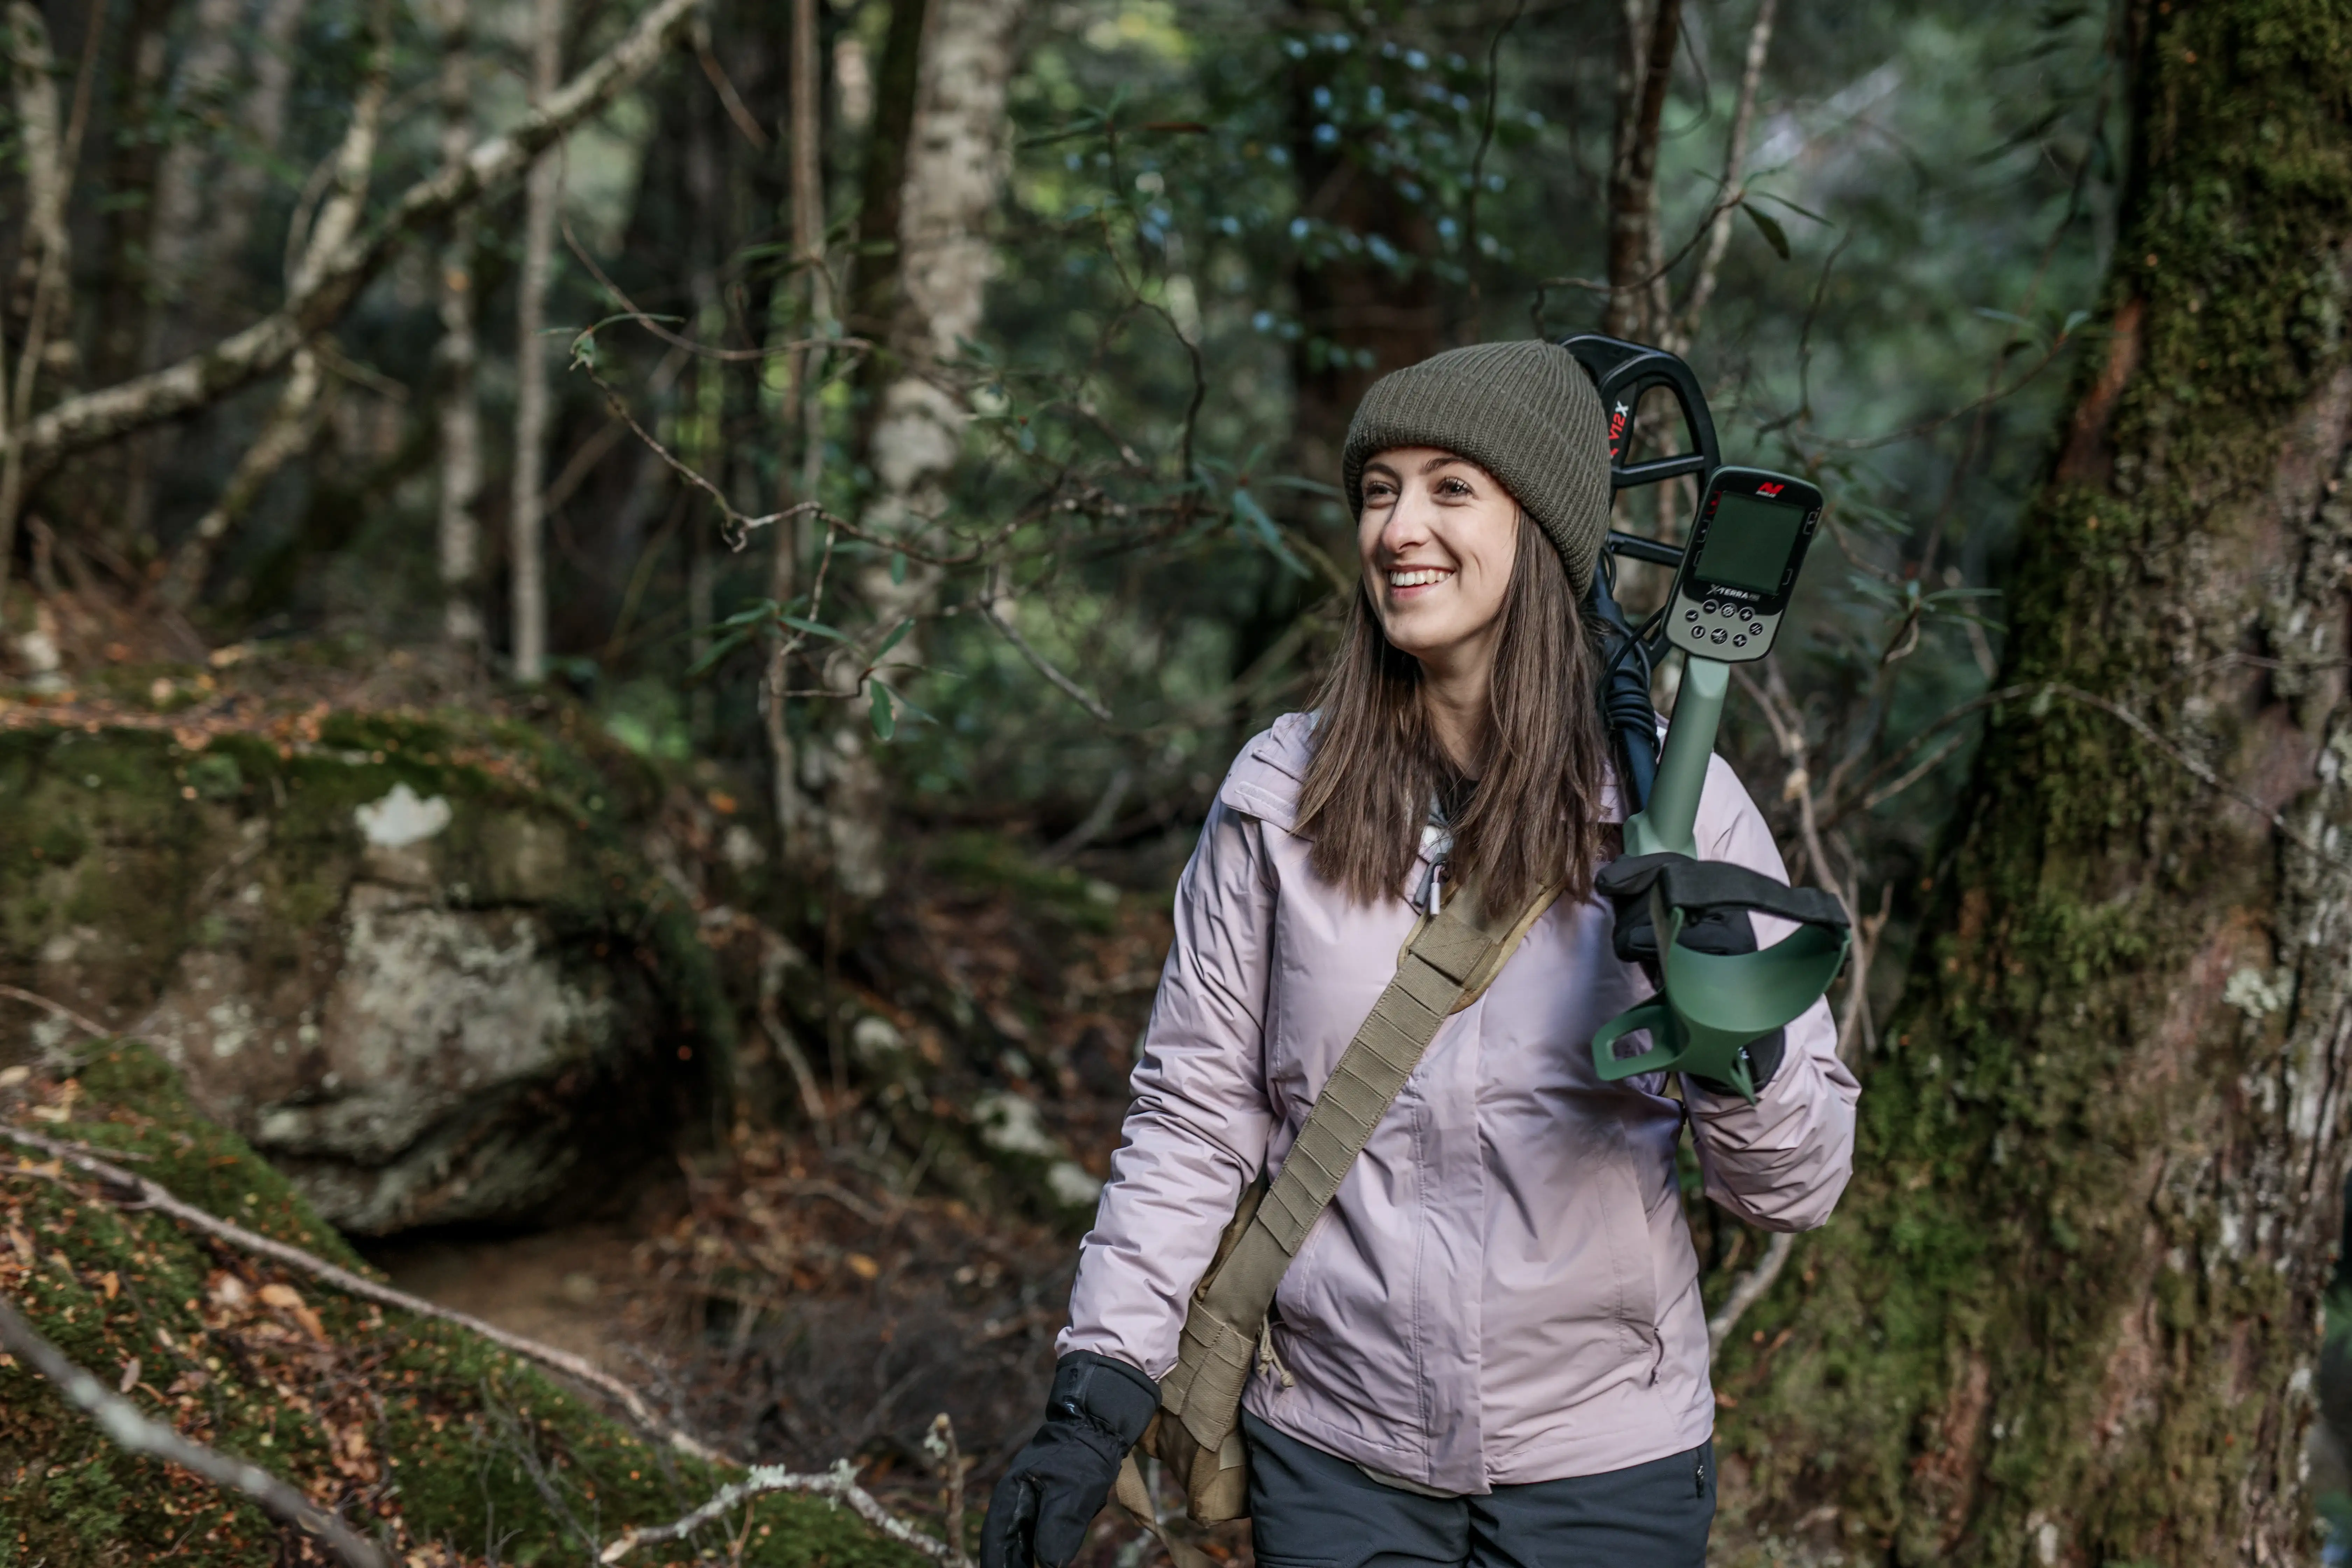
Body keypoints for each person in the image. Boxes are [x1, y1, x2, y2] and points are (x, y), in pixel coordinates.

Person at [981, 340, 1860, 1568]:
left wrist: (1735, 1040)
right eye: (1379, 488)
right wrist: (1098, 1384)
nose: (1403, 527)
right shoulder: (1282, 797)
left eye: (1453, 488)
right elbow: (1194, 1115)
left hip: (1604, 1469)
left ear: (1543, 531)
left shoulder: (1677, 807)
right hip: (1338, 1462)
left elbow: (1796, 1189)